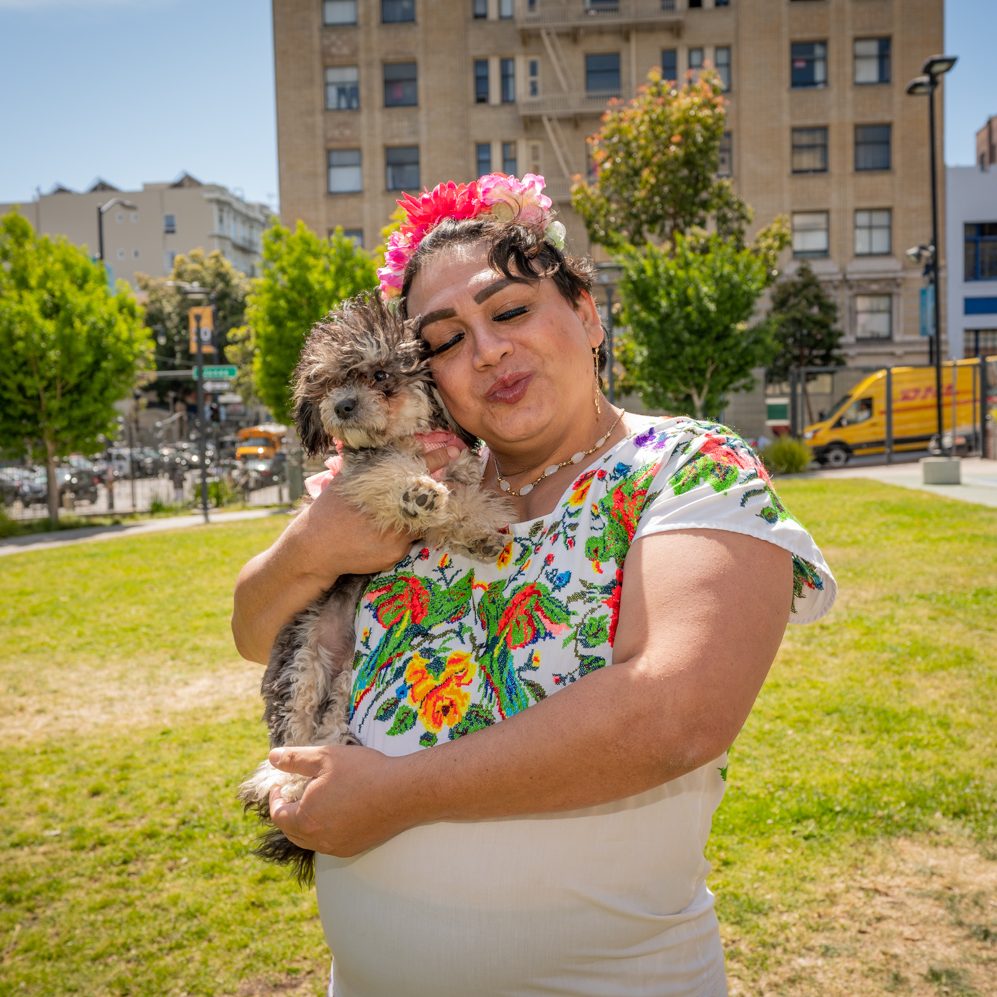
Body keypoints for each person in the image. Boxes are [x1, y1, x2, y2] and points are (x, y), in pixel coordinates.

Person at [231, 173, 836, 996]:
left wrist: (394, 797)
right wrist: (312, 544)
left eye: (509, 310)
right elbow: (252, 629)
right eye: (444, 340)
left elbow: (675, 715)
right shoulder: (417, 491)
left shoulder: (684, 466)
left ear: (585, 313)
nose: (485, 351)